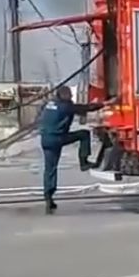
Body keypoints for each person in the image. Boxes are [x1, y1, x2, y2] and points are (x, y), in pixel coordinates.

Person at [38, 86, 106, 214]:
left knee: (50, 169)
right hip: (57, 138)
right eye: (69, 95)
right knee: (84, 134)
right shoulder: (65, 106)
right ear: (64, 96)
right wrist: (103, 104)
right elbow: (85, 108)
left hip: (45, 140)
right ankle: (84, 162)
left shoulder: (49, 104)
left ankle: (48, 198)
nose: (71, 98)